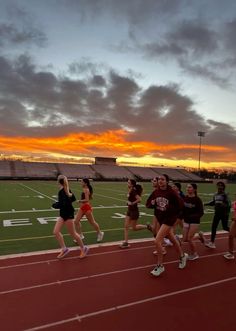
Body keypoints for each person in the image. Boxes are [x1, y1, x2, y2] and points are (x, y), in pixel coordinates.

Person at [147, 174, 188, 277]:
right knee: (173, 239)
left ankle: (160, 266)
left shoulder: (171, 192)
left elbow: (181, 205)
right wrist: (152, 203)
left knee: (157, 241)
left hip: (169, 220)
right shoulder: (156, 192)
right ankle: (182, 256)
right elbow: (148, 204)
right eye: (159, 179)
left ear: (167, 181)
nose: (160, 181)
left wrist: (174, 214)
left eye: (162, 179)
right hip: (161, 219)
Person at [52, 175, 89, 259]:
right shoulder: (66, 190)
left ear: (58, 182)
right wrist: (62, 203)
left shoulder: (62, 191)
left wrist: (55, 205)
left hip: (68, 214)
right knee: (56, 232)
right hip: (63, 214)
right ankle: (64, 249)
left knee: (73, 234)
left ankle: (84, 248)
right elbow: (73, 199)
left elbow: (63, 204)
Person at [120, 179, 149, 248]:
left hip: (134, 211)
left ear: (132, 184)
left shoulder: (133, 191)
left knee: (134, 228)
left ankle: (147, 226)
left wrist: (132, 203)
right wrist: (128, 203)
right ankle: (126, 242)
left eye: (129, 183)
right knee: (126, 226)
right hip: (129, 211)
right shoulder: (130, 190)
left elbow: (139, 199)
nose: (127, 183)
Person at [74, 178, 104, 243]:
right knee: (76, 221)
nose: (81, 183)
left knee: (92, 222)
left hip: (86, 208)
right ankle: (80, 235)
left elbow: (87, 199)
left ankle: (100, 233)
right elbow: (89, 197)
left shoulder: (86, 189)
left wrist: (79, 201)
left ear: (85, 183)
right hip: (82, 208)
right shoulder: (86, 189)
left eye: (82, 182)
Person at [203, 181, 230, 248]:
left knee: (225, 227)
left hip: (224, 214)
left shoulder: (225, 195)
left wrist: (223, 204)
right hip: (217, 214)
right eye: (218, 185)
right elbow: (213, 202)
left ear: (223, 187)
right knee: (213, 227)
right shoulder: (215, 194)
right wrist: (205, 204)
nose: (220, 187)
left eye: (221, 185)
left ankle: (234, 232)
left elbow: (228, 205)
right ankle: (212, 243)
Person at [182, 183, 204, 260]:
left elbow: (201, 213)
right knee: (184, 239)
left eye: (190, 187)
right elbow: (182, 209)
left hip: (194, 221)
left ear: (194, 189)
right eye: (187, 187)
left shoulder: (197, 200)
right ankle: (199, 236)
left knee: (189, 239)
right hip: (186, 220)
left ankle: (195, 254)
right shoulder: (185, 198)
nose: (188, 189)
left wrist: (191, 216)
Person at [223, 195, 236, 260]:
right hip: (235, 221)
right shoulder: (235, 202)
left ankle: (231, 253)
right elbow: (228, 205)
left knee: (231, 236)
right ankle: (231, 253)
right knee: (231, 236)